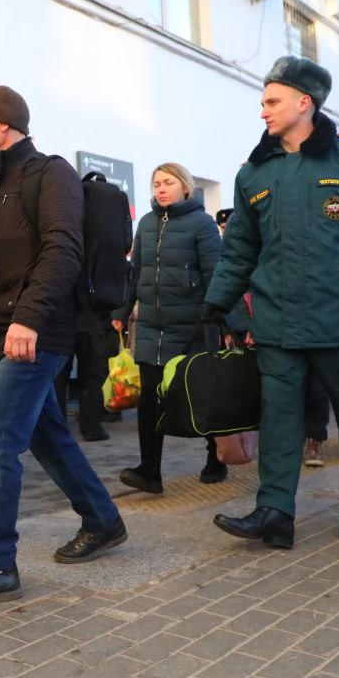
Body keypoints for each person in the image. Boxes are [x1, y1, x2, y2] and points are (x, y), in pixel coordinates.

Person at [200, 55, 339, 549]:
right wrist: (218, 302)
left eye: (272, 102)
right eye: (262, 103)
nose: (263, 111)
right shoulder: (254, 173)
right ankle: (275, 512)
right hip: (278, 322)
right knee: (279, 419)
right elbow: (240, 248)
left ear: (305, 103)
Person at [0, 85, 127, 608]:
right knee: (46, 436)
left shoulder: (48, 173)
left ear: (5, 124)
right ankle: (103, 520)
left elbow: (63, 249)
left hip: (39, 334)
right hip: (4, 334)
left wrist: (30, 320)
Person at [114, 163, 225, 494]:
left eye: (168, 183)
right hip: (150, 327)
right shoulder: (147, 224)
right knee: (150, 400)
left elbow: (215, 274)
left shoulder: (203, 224)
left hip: (192, 328)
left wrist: (217, 317)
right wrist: (121, 311)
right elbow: (135, 273)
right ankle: (150, 470)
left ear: (186, 188)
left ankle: (216, 458)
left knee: (201, 396)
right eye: (157, 183)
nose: (161, 189)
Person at [218, 207, 329, 469]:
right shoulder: (243, 223)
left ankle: (314, 438)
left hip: (306, 316)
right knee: (274, 389)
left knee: (314, 385)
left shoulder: (296, 216)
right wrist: (242, 327)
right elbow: (234, 279)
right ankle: (277, 447)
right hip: (262, 324)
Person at [52, 307, 116, 442]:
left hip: (62, 321)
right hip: (94, 322)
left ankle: (55, 427)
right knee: (95, 375)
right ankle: (91, 427)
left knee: (58, 377)